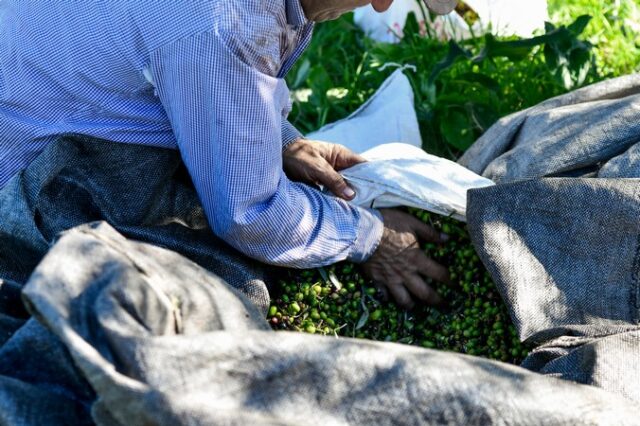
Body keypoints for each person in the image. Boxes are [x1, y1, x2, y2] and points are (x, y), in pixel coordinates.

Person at [0, 0, 451, 309]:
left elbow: (172, 71)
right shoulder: (229, 23)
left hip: (40, 100)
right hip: (27, 179)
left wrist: (281, 140)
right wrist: (371, 237)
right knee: (224, 297)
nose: (383, 5)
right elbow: (247, 215)